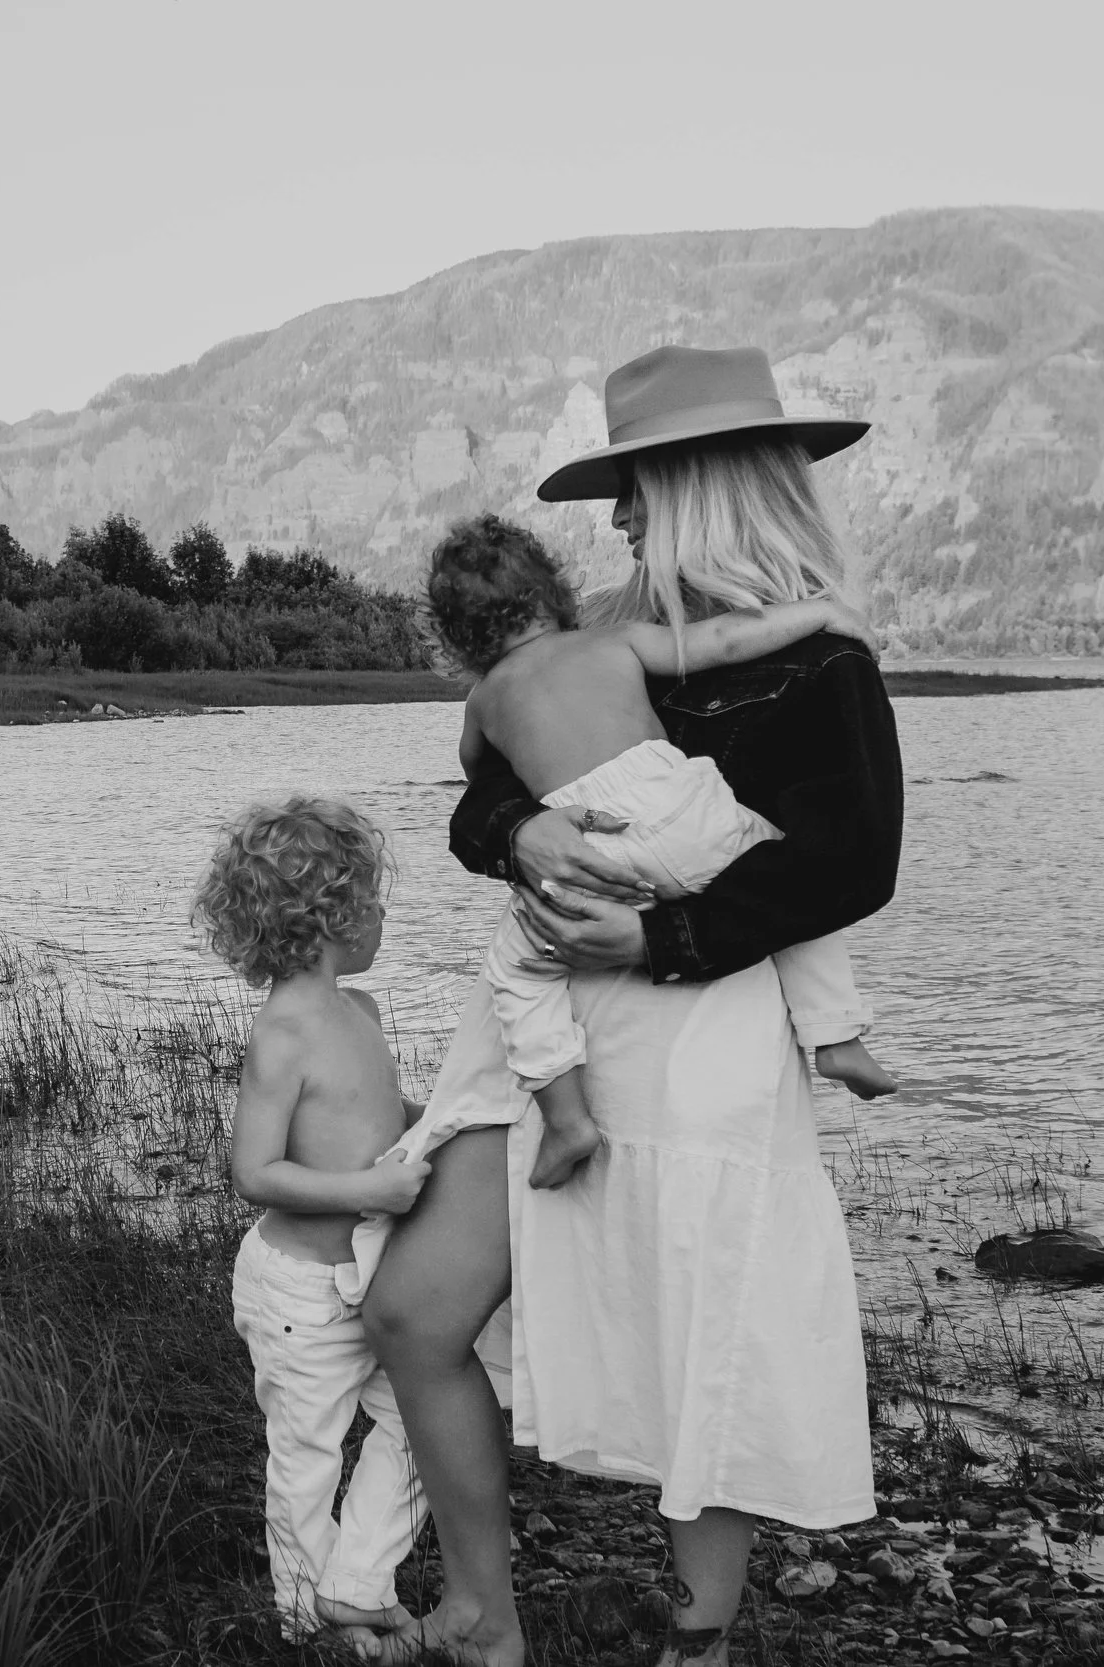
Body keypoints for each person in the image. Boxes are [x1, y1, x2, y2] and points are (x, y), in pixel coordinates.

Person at [360, 345, 903, 1667]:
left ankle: (697, 1638)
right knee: (417, 1310)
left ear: (705, 484)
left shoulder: (820, 656)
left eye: (640, 489)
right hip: (539, 1031)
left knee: (694, 1333)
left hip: (695, 1023)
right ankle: (487, 1612)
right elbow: (485, 788)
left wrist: (658, 931)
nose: (618, 519)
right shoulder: (603, 629)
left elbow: (849, 863)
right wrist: (520, 839)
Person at [425, 512, 897, 1191]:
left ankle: (566, 1120)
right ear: (552, 593)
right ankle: (836, 1034)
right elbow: (727, 639)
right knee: (797, 882)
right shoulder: (613, 642)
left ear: (455, 635)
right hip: (685, 813)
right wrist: (819, 611)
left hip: (593, 847)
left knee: (519, 971)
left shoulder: (484, 700)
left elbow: (478, 777)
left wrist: (522, 818)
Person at [193, 796, 434, 1652]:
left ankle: (355, 1580)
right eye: (371, 897)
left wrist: (432, 1124)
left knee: (427, 1413)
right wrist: (371, 1184)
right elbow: (254, 1171)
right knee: (307, 1459)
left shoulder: (358, 1012)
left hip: (367, 1273)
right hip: (298, 1290)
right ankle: (306, 1621)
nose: (382, 912)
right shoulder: (285, 1031)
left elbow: (378, 1112)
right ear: (329, 913)